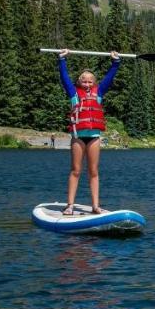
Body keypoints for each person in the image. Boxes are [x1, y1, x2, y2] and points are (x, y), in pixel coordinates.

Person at [58, 48, 120, 216]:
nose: (87, 84)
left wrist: (115, 63)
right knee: (75, 170)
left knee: (93, 171)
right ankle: (70, 205)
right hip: (78, 136)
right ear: (79, 82)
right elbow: (64, 79)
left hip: (93, 137)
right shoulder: (73, 94)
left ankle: (95, 205)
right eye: (84, 81)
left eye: (90, 82)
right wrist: (62, 60)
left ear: (94, 83)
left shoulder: (99, 93)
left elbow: (109, 79)